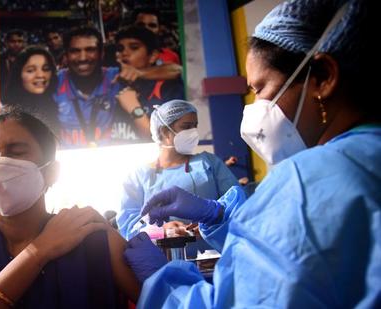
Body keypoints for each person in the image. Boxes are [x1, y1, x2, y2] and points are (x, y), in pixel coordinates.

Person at [124, 0, 381, 307]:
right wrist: (218, 214)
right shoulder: (365, 157)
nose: (256, 107)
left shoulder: (305, 181)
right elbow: (281, 237)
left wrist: (162, 281)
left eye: (260, 89)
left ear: (323, 77)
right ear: (163, 132)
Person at [0, 106, 140, 308]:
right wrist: (39, 251)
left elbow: (161, 298)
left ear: (52, 172)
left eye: (17, 152)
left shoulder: (86, 232)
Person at [117, 100, 239, 241]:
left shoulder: (208, 163)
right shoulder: (139, 176)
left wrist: (212, 223)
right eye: (186, 126)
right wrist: (161, 230)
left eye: (195, 126)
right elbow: (128, 228)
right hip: (166, 260)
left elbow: (239, 208)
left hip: (217, 256)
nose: (193, 132)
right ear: (164, 131)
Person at [54, 25, 182, 147]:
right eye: (75, 51)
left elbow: (177, 70)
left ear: (101, 53)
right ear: (65, 55)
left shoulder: (115, 77)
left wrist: (140, 73)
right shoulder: (55, 82)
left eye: (90, 50)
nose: (82, 57)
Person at [113, 25, 186, 139]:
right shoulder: (110, 81)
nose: (124, 53)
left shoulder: (168, 88)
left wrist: (134, 109)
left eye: (134, 47)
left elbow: (164, 140)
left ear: (152, 56)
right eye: (120, 48)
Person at [3, 45, 60, 133]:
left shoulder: (60, 105)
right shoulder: (9, 114)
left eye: (46, 69)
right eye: (30, 70)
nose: (40, 75)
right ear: (19, 75)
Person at [0, 29, 28, 103]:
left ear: (24, 43)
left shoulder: (30, 60)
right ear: (6, 43)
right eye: (13, 41)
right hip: (4, 101)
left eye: (20, 41)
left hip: (25, 100)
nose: (16, 44)